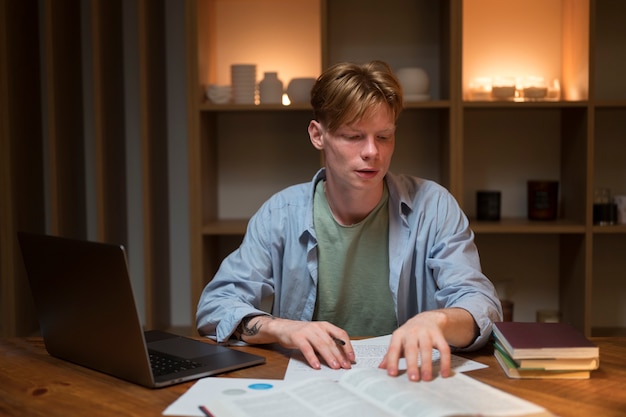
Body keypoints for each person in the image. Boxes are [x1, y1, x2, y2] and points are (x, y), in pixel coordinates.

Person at [196, 60, 502, 382]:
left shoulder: (434, 207)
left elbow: (480, 303)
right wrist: (280, 328)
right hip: (311, 384)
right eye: (353, 136)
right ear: (318, 135)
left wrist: (437, 320)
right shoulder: (280, 214)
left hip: (407, 382)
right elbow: (215, 306)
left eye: (384, 137)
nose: (372, 152)